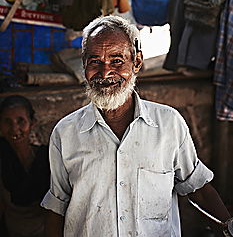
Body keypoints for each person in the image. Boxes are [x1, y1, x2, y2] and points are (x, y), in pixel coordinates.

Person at [41, 15, 231, 237]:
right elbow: (57, 206)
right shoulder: (65, 133)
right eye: (95, 62)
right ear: (84, 65)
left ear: (137, 62)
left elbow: (198, 188)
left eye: (117, 61)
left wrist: (227, 227)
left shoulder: (169, 123)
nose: (105, 73)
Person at [0, 95, 50, 237]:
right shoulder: (3, 160)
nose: (15, 128)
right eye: (7, 122)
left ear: (32, 123)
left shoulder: (47, 158)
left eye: (21, 121)